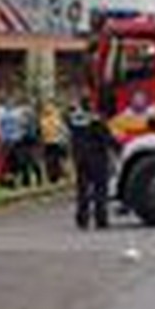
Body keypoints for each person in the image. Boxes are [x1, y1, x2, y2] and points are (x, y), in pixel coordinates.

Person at [67, 97, 119, 230]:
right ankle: (100, 218)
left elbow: (71, 136)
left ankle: (82, 218)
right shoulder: (96, 120)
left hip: (80, 157)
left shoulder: (74, 119)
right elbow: (106, 137)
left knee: (82, 189)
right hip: (96, 157)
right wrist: (118, 147)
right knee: (100, 188)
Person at [40, 101, 67, 184]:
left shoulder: (45, 119)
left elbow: (60, 129)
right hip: (52, 141)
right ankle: (54, 176)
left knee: (54, 160)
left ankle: (56, 176)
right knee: (54, 160)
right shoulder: (51, 118)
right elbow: (61, 129)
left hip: (52, 141)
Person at [0, 99, 22, 187]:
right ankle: (11, 180)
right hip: (12, 140)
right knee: (12, 163)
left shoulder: (3, 114)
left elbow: (1, 126)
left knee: (8, 162)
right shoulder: (15, 114)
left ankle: (9, 180)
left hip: (8, 140)